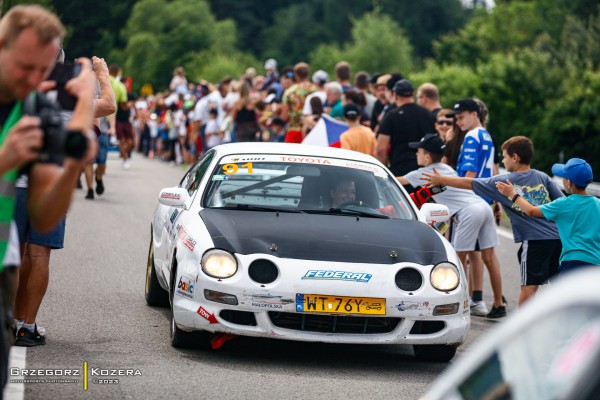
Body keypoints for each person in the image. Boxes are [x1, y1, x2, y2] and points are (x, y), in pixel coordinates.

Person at [0, 5, 97, 352]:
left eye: (45, 70)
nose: (34, 81)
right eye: (26, 67)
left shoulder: (35, 107)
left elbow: (44, 213)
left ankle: (22, 323)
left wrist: (72, 165)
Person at [424, 136, 564, 305]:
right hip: (557, 239)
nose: (503, 161)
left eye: (504, 156)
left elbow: (470, 183)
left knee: (529, 286)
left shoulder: (503, 182)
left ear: (515, 157)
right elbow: (563, 203)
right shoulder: (543, 177)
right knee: (559, 286)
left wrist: (442, 180)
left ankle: (522, 329)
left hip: (533, 241)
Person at [397, 134, 505, 318]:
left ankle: (458, 303)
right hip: (483, 206)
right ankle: (498, 304)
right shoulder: (445, 168)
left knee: (458, 258)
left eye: (419, 151)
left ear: (428, 157)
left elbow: (397, 182)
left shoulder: (424, 173)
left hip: (469, 211)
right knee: (489, 257)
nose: (416, 154)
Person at [496, 158, 600, 273]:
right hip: (595, 265)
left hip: (572, 264)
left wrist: (512, 194)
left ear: (569, 182)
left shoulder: (563, 204)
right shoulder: (597, 203)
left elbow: (531, 211)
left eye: (563, 177)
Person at [376, 79, 435, 177]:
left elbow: (381, 149)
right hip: (425, 171)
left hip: (400, 169)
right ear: (413, 94)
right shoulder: (428, 114)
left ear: (395, 95)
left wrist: (382, 174)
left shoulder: (391, 116)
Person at [281, 62, 315, 143]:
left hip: (294, 130)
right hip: (312, 131)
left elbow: (284, 116)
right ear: (308, 74)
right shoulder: (314, 89)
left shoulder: (289, 91)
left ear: (296, 75)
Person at [108, 63, 132, 169]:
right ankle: (124, 159)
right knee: (124, 141)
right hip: (115, 116)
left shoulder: (100, 80)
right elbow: (123, 104)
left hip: (100, 114)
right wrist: (130, 105)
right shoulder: (120, 86)